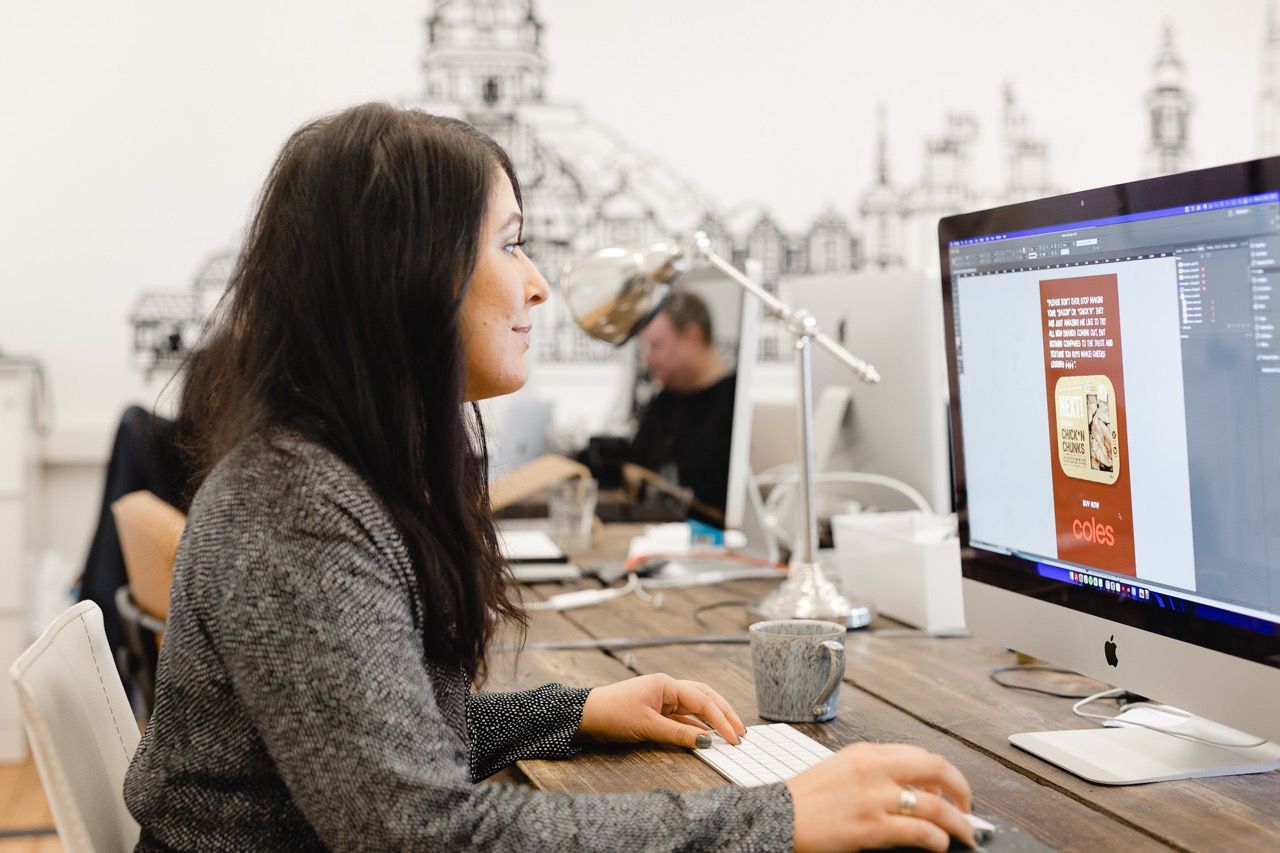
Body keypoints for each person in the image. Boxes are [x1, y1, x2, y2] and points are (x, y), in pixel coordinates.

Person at [123, 103, 977, 852]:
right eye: (511, 246)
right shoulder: (299, 510)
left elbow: (393, 742)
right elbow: (419, 829)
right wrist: (779, 816)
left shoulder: (341, 476)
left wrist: (573, 711)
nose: (537, 287)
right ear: (408, 276)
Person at [626, 291, 736, 525]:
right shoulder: (664, 400)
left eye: (656, 346)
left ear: (692, 337)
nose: (648, 359)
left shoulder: (733, 404)